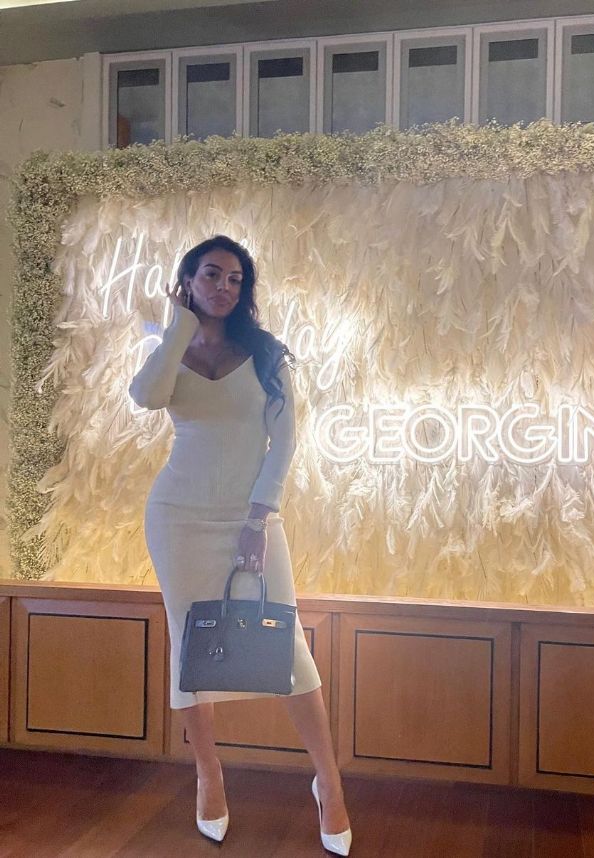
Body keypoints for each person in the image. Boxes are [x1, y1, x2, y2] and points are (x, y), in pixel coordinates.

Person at [129, 234, 352, 855]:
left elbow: (285, 441)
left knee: (288, 646)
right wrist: (178, 327)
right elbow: (146, 398)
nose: (224, 287)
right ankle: (208, 774)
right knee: (190, 646)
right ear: (188, 281)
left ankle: (329, 784)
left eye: (235, 279)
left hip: (251, 517)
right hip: (177, 516)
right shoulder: (167, 348)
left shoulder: (266, 352)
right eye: (212, 274)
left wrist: (258, 518)